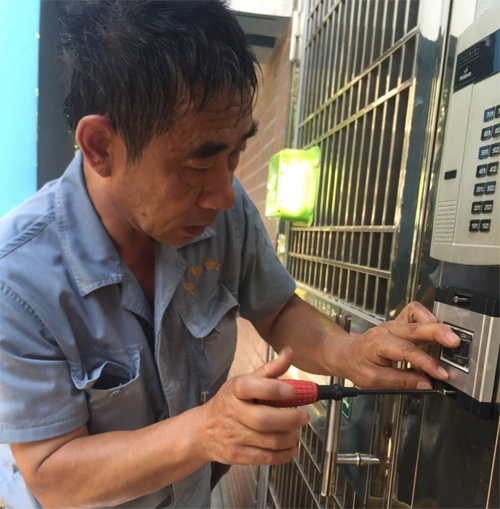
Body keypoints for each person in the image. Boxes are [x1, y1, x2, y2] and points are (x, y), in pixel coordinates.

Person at [0, 0, 460, 508]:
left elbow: (277, 311)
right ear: (101, 146)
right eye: (198, 165)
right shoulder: (16, 280)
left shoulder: (223, 206)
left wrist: (349, 353)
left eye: (236, 154)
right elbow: (51, 473)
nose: (224, 196)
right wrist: (207, 432)